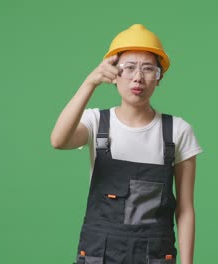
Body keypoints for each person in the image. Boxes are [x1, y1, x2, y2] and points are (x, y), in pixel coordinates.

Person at [51, 24, 202, 264]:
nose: (138, 77)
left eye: (148, 69)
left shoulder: (178, 131)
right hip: (99, 252)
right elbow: (58, 140)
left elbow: (185, 209)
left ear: (159, 78)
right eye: (129, 68)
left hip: (155, 254)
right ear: (113, 74)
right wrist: (90, 82)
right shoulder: (96, 122)